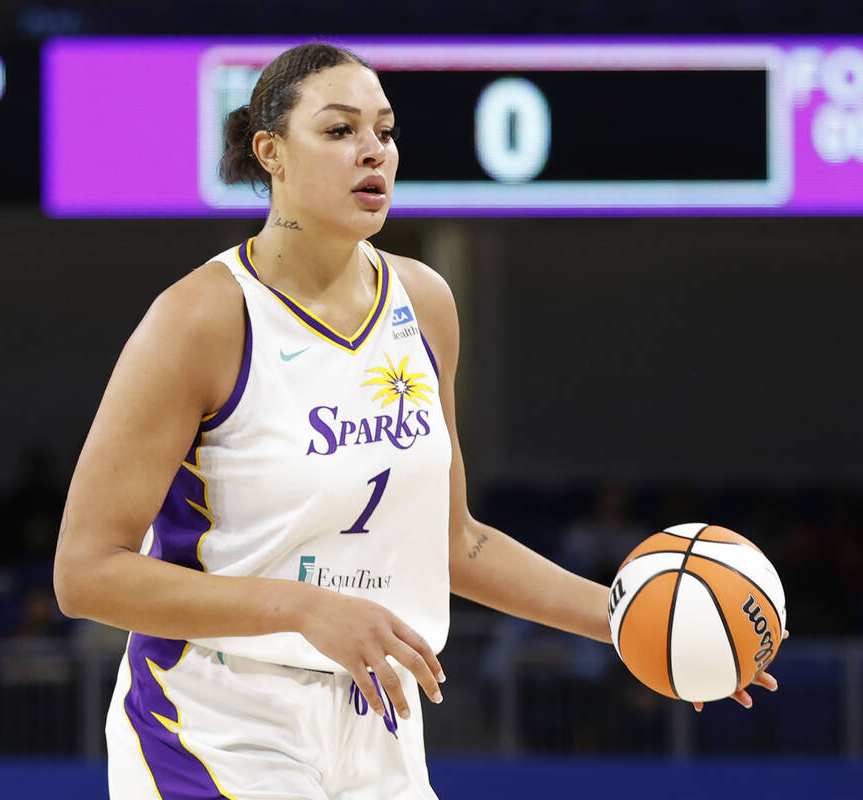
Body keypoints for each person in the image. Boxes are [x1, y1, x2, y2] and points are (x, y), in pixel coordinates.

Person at [52, 42, 780, 799]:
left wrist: (642, 626)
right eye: (339, 131)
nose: (374, 151)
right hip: (215, 715)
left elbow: (453, 540)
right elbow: (86, 574)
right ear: (270, 151)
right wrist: (302, 609)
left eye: (386, 130)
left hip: (379, 720)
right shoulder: (200, 319)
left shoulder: (423, 301)